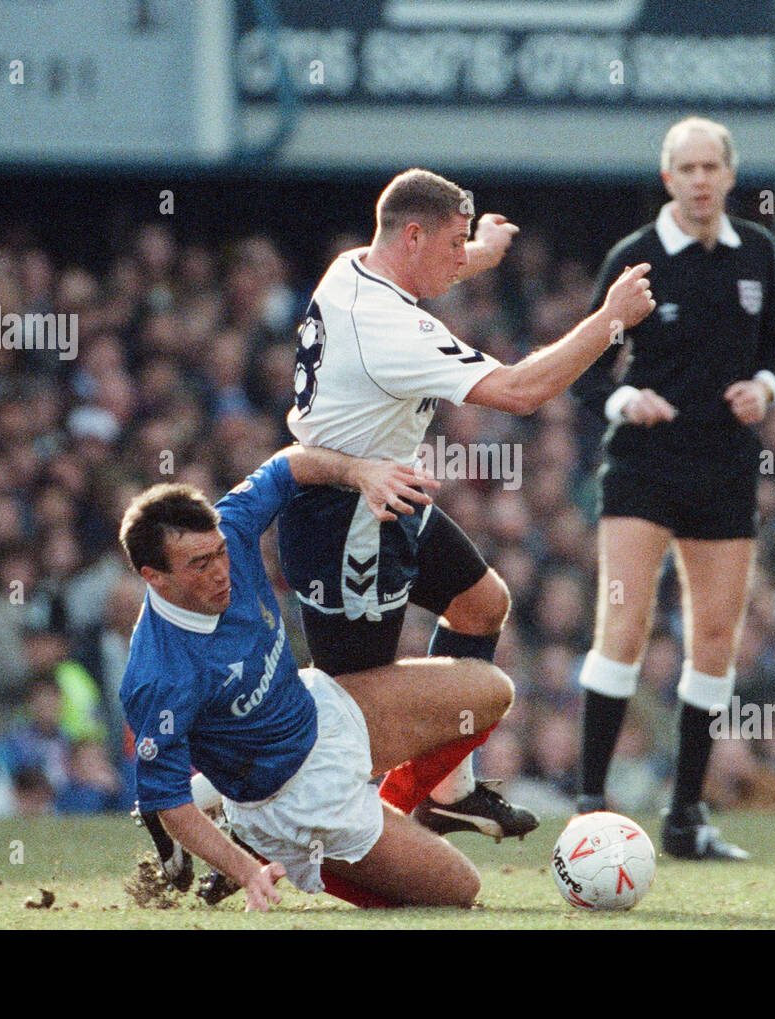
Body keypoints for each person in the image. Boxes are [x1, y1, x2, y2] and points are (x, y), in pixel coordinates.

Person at [277, 167, 655, 839]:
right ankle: (235, 801)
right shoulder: (389, 327)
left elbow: (430, 265)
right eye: (454, 244)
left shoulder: (354, 267)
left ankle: (450, 790)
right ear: (415, 236)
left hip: (384, 492)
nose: (461, 260)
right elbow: (519, 390)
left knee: (482, 603)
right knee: (358, 704)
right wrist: (608, 321)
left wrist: (478, 250)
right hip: (346, 521)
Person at [119, 445, 517, 909]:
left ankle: (400, 813)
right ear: (154, 577)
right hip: (294, 799)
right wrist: (247, 872)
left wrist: (360, 471)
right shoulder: (158, 676)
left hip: (317, 705)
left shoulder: (233, 524)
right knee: (457, 892)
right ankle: (276, 848)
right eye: (200, 565)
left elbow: (289, 465)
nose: (222, 572)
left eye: (220, 553)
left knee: (492, 690)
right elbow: (167, 803)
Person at [571, 117, 775, 859]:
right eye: (686, 168)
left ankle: (688, 814)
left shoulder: (756, 252)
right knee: (623, 627)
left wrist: (765, 386)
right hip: (643, 465)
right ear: (668, 179)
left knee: (718, 639)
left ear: (730, 176)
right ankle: (588, 804)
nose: (700, 179)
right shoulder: (634, 259)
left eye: (712, 166)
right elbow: (587, 362)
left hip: (726, 466)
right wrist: (621, 399)